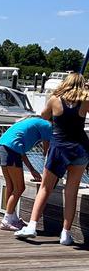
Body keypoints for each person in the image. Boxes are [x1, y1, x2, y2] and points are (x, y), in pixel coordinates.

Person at [17, 73, 89, 245]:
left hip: (59, 148)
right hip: (80, 148)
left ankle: (32, 226)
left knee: (45, 188)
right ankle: (66, 233)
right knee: (70, 193)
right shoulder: (86, 100)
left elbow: (44, 115)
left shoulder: (55, 99)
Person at [0, 114, 55, 231]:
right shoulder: (48, 125)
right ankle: (6, 220)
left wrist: (32, 169)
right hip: (11, 149)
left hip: (1, 146)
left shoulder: (34, 121)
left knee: (11, 186)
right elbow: (47, 152)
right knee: (20, 188)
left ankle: (12, 218)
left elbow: (21, 151)